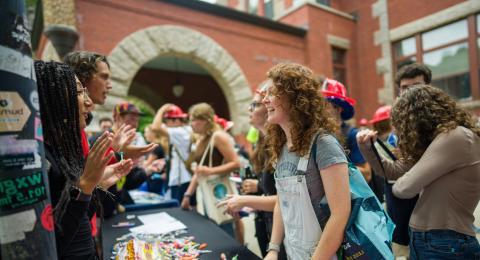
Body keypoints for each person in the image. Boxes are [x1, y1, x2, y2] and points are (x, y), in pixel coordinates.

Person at [357, 85, 480, 259]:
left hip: (445, 242)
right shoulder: (442, 140)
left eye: (404, 123)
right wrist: (367, 148)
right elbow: (393, 172)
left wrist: (409, 175)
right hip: (433, 241)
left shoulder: (456, 136)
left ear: (418, 118)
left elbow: (403, 188)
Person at [34, 61, 133, 259]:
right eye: (79, 92)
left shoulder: (62, 150)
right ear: (54, 99)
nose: (89, 102)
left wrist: (98, 185)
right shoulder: (38, 158)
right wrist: (87, 185)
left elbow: (81, 221)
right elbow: (49, 245)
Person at [263, 63, 350, 259]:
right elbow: (282, 201)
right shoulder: (281, 146)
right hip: (295, 253)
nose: (265, 100)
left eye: (272, 93)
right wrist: (273, 248)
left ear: (294, 97)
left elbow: (340, 214)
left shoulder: (324, 144)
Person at [217, 85, 287, 259]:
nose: (249, 109)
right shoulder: (262, 143)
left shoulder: (284, 145)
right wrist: (246, 202)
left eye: (255, 105)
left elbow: (288, 199)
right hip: (266, 225)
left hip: (285, 233)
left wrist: (245, 200)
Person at [181, 103, 243, 241]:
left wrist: (210, 170)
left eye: (193, 120)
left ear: (205, 120)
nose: (191, 124)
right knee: (216, 229)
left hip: (220, 191)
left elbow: (236, 163)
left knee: (225, 230)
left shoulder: (218, 136)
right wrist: (187, 195)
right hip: (208, 190)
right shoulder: (201, 139)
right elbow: (199, 172)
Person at [151, 104, 194, 205]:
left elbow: (155, 127)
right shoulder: (185, 130)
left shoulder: (178, 132)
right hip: (185, 178)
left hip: (182, 180)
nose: (166, 124)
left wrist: (161, 110)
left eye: (167, 121)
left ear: (176, 120)